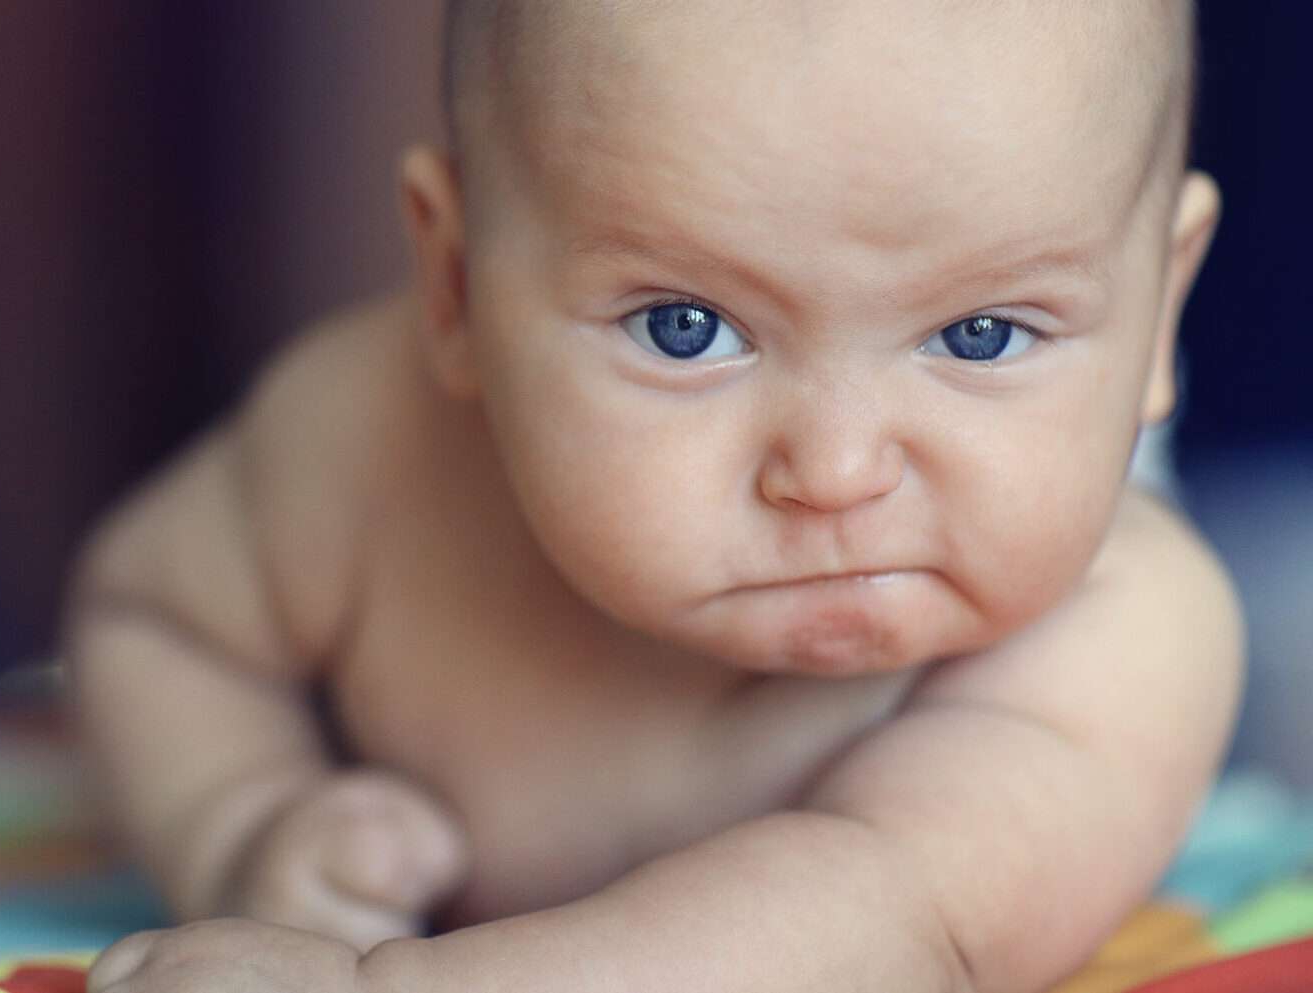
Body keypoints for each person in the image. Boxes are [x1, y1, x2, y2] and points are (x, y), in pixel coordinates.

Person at [65, 1, 1243, 990]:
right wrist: (244, 821)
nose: (833, 474)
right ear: (456, 281)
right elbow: (153, 616)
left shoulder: (1114, 632)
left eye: (981, 334)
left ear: (1158, 309)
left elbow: (877, 916)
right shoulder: (367, 449)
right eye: (686, 329)